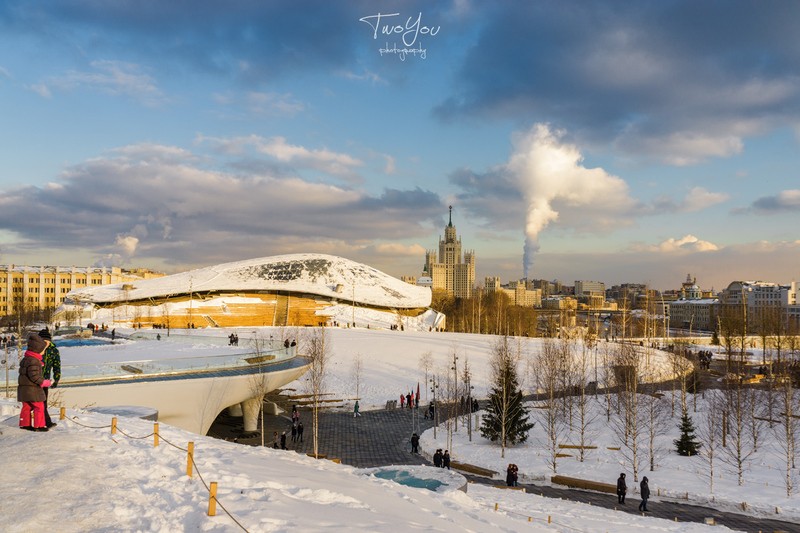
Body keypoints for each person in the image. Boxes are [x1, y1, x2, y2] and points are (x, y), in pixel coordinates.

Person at [18, 333, 53, 432]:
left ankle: (24, 424)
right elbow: (34, 377)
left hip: (24, 389)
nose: (43, 352)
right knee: (39, 406)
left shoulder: (26, 359)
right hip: (32, 389)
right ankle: (39, 425)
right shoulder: (34, 361)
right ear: (37, 350)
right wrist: (45, 382)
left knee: (27, 406)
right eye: (43, 350)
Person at [38, 329, 61, 429]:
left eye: (47, 341)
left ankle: (46, 422)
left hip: (45, 381)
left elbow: (57, 366)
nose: (45, 344)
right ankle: (40, 423)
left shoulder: (54, 350)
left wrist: (56, 379)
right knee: (35, 403)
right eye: (43, 341)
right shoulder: (35, 348)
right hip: (34, 380)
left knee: (43, 402)